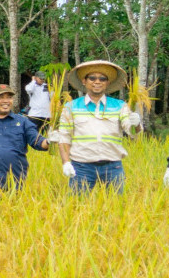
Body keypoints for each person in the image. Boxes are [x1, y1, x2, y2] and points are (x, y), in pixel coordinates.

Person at [54, 59, 141, 193]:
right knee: (78, 204)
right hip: (81, 166)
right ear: (84, 81)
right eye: (92, 78)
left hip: (113, 166)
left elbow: (132, 132)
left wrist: (136, 124)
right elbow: (64, 137)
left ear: (107, 82)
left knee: (115, 204)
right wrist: (66, 162)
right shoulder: (71, 106)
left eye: (102, 78)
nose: (97, 81)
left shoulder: (120, 105)